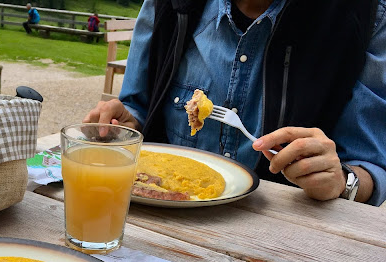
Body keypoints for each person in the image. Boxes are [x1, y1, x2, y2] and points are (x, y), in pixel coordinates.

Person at [84, 0, 386, 206]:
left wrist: (342, 181)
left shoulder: (366, 14)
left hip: (282, 248)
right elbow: (138, 108)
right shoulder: (168, 5)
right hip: (157, 223)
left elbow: (370, 168)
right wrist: (127, 125)